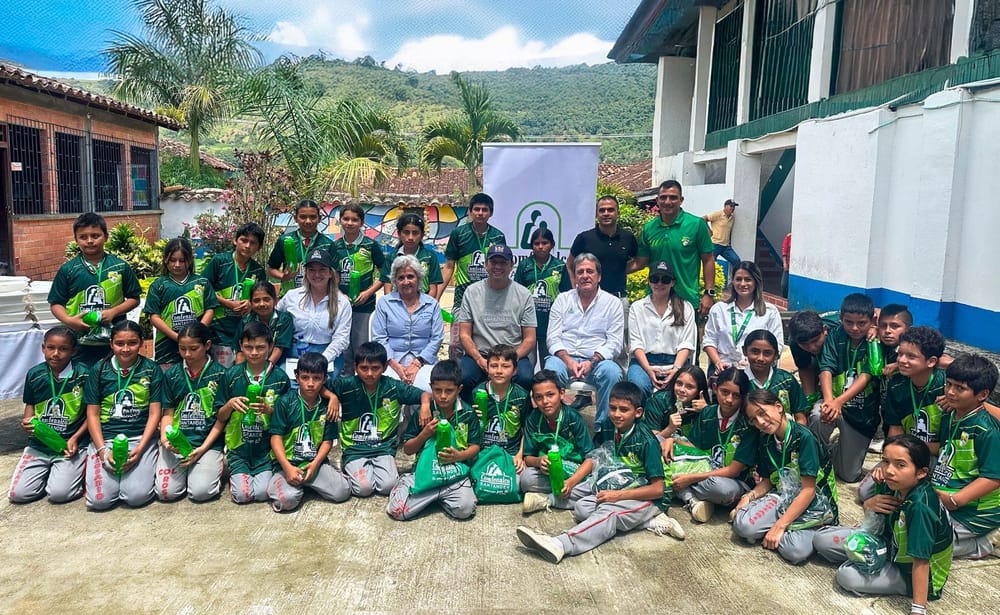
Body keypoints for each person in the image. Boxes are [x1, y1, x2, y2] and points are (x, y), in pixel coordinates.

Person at [516, 382, 684, 563]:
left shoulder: (646, 441)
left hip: (651, 498)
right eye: (613, 408)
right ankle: (647, 521)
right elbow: (596, 457)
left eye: (624, 410)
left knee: (608, 514)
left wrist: (617, 496)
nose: (617, 414)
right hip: (621, 481)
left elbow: (658, 489)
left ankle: (561, 543)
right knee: (582, 509)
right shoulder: (609, 425)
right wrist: (572, 482)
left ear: (638, 412)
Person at [813, 436, 953, 610]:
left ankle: (875, 570)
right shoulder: (894, 485)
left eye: (900, 465)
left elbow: (921, 561)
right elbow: (877, 522)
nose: (889, 470)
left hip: (909, 572)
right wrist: (868, 505)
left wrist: (918, 609)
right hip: (888, 546)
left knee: (846, 576)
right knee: (821, 540)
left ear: (921, 472)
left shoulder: (920, 507)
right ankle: (869, 564)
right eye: (886, 461)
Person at [734, 389, 839, 564]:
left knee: (795, 552)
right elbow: (767, 481)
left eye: (762, 413)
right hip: (784, 497)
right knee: (743, 526)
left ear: (778, 407)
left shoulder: (804, 438)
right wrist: (749, 496)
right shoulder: (766, 440)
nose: (760, 422)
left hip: (816, 504)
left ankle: (785, 529)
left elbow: (808, 490)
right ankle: (783, 529)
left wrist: (779, 525)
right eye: (754, 419)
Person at [327, 342, 431, 497]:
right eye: (364, 368)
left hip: (383, 447)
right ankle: (349, 467)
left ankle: (367, 470)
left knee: (388, 486)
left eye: (375, 368)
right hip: (355, 448)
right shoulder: (346, 385)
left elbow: (423, 394)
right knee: (364, 489)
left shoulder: (393, 387)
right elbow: (319, 386)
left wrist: (425, 404)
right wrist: (332, 396)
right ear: (355, 367)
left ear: (384, 368)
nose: (369, 373)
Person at [859, 327, 946, 501]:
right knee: (866, 492)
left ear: (931, 361)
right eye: (900, 354)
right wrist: (888, 463)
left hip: (937, 457)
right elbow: (895, 431)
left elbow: (945, 446)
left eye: (911, 357)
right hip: (906, 453)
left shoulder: (945, 386)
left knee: (923, 497)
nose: (902, 361)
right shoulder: (897, 385)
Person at [387, 360, 480, 521]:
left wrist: (458, 456)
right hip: (425, 470)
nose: (443, 396)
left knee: (465, 510)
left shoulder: (468, 413)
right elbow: (408, 449)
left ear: (459, 389)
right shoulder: (424, 412)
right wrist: (425, 434)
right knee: (398, 511)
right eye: (437, 390)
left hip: (454, 473)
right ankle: (414, 484)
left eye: (449, 391)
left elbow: (475, 447)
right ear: (431, 387)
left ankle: (433, 495)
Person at [83, 321, 163, 510]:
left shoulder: (151, 369)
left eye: (132, 343)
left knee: (136, 497)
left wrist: (141, 448)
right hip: (106, 440)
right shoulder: (99, 370)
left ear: (142, 343)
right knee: (99, 501)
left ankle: (148, 458)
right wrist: (102, 450)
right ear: (111, 344)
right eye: (119, 343)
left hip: (140, 440)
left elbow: (155, 413)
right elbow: (92, 414)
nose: (125, 349)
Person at [48, 212, 141, 366]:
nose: (89, 241)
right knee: (81, 381)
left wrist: (113, 312)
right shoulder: (68, 270)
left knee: (111, 380)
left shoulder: (120, 266)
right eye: (83, 237)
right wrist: (70, 321)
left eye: (95, 235)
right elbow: (56, 303)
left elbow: (134, 298)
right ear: (76, 240)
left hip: (114, 341)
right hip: (79, 341)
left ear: (106, 236)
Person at [9, 326, 89, 503]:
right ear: (43, 348)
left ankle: (69, 475)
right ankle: (50, 475)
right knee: (19, 495)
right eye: (51, 347)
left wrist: (75, 438)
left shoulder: (83, 374)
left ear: (74, 351)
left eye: (63, 349)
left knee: (59, 495)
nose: (56, 354)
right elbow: (30, 406)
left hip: (70, 446)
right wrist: (27, 422)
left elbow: (92, 413)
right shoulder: (35, 374)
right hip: (40, 445)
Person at [931, 354, 1000, 559]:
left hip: (973, 511)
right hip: (945, 497)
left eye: (960, 388)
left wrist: (956, 499)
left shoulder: (986, 430)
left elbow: (994, 477)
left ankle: (983, 543)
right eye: (948, 384)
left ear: (982, 394)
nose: (950, 392)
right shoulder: (950, 414)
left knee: (923, 544)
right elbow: (945, 448)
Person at [544, 253, 624, 426]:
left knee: (612, 372)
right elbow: (552, 337)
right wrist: (568, 361)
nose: (585, 276)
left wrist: (591, 362)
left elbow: (615, 343)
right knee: (551, 370)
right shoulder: (562, 299)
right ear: (575, 276)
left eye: (590, 271)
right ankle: (557, 424)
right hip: (565, 358)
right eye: (580, 272)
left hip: (597, 361)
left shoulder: (612, 303)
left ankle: (603, 428)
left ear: (599, 276)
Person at [215, 321, 290, 504]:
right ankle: (238, 473)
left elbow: (288, 419)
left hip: (265, 451)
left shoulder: (280, 378)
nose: (254, 352)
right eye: (248, 347)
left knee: (263, 494)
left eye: (260, 347)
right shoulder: (231, 376)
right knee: (243, 496)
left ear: (271, 346)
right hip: (238, 449)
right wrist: (230, 405)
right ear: (241, 346)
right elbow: (219, 416)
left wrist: (270, 410)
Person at [670, 368, 757, 523]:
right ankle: (694, 498)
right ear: (715, 389)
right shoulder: (708, 413)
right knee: (661, 446)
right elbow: (692, 446)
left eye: (736, 395)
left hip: (729, 481)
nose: (729, 399)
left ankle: (686, 494)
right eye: (724, 392)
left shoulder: (748, 424)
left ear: (744, 397)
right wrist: (673, 440)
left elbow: (734, 470)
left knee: (721, 490)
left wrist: (690, 478)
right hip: (703, 471)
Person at [268, 352, 351, 512]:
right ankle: (292, 482)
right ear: (296, 376)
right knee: (287, 501)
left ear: (325, 379)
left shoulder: (328, 406)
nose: (310, 384)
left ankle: (307, 481)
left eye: (317, 378)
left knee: (342, 492)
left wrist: (315, 464)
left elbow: (327, 442)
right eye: (305, 377)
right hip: (288, 463)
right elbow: (275, 438)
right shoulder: (284, 402)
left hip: (314, 462)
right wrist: (287, 467)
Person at [155, 323, 227, 502]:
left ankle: (209, 468)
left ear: (207, 346)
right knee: (166, 493)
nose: (187, 354)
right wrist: (165, 440)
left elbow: (221, 420)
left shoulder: (221, 375)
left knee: (200, 493)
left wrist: (202, 449)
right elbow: (168, 414)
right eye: (182, 349)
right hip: (177, 443)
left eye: (194, 348)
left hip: (207, 444)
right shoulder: (172, 374)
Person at [454, 244, 536, 400]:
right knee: (463, 377)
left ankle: (518, 419)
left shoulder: (524, 294)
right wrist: (479, 359)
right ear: (486, 265)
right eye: (493, 262)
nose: (498, 267)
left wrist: (509, 361)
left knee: (525, 378)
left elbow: (530, 338)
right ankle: (470, 418)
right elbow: (464, 334)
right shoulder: (471, 292)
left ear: (511, 265)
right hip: (480, 354)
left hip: (513, 355)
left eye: (503, 263)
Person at [814, 293, 879, 482]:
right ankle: (815, 461)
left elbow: (867, 375)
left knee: (849, 475)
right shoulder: (834, 336)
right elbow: (826, 368)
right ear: (841, 319)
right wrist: (828, 401)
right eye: (849, 322)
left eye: (861, 323)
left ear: (871, 321)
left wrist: (839, 402)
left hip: (861, 413)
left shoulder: (875, 342)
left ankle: (836, 448)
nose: (855, 328)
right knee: (819, 415)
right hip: (834, 402)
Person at [632, 180, 716, 316]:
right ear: (657, 200)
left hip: (687, 300)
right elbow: (640, 262)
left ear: (681, 200)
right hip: (656, 299)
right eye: (663, 197)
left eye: (673, 197)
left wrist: (709, 293)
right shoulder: (649, 228)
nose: (668, 201)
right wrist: (610, 270)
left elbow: (708, 260)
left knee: (687, 338)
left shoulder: (696, 224)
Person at [519, 370, 597, 516]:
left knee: (593, 484)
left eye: (550, 395)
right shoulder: (533, 419)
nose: (545, 401)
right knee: (526, 480)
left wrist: (571, 482)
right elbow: (528, 458)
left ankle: (549, 499)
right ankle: (568, 496)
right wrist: (539, 461)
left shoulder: (574, 418)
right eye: (539, 397)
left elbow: (591, 458)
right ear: (534, 400)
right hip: (550, 473)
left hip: (574, 472)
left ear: (561, 394)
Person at [371, 254, 444, 393]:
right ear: (394, 281)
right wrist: (395, 366)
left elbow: (437, 338)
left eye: (410, 276)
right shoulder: (384, 303)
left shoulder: (432, 304)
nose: (406, 282)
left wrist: (417, 363)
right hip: (390, 362)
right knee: (385, 390)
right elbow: (379, 337)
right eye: (400, 278)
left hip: (424, 362)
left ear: (419, 278)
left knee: (430, 389)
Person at [200, 222, 267, 367]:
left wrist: (251, 304)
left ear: (259, 247)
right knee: (221, 373)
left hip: (244, 331)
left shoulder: (258, 271)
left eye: (253, 243)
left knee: (239, 373)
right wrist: (227, 303)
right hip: (219, 330)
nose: (247, 246)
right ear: (235, 240)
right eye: (244, 240)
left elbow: (262, 298)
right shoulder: (220, 262)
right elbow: (203, 288)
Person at [277, 248, 352, 377]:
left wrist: (322, 360)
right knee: (285, 384)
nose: (317, 275)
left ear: (330, 273)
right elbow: (275, 319)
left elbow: (341, 339)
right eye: (312, 270)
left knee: (323, 387)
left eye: (322, 270)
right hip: (294, 354)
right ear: (305, 273)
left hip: (326, 355)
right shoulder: (292, 297)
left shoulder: (342, 303)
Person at [627, 260, 696, 400]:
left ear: (673, 282)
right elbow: (636, 344)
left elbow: (686, 344)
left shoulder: (686, 307)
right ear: (649, 281)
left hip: (675, 362)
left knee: (680, 388)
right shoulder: (637, 307)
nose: (659, 284)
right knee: (638, 385)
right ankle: (643, 420)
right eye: (655, 279)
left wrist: (675, 369)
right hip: (644, 361)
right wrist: (648, 369)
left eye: (665, 279)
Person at [144, 237, 218, 368]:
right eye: (173, 260)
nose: (177, 264)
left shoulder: (202, 283)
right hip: (166, 348)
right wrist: (177, 337)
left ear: (189, 260)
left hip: (198, 348)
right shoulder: (158, 286)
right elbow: (154, 316)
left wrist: (197, 333)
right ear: (165, 259)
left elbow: (210, 309)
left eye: (182, 260)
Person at [703, 261, 784, 379]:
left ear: (756, 282)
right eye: (738, 279)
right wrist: (718, 363)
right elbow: (709, 340)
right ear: (733, 281)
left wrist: (754, 362)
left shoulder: (770, 312)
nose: (743, 283)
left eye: (748, 279)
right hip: (723, 369)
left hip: (756, 370)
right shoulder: (719, 309)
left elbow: (778, 346)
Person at [331, 203, 386, 375]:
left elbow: (385, 274)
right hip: (340, 306)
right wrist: (339, 294)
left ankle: (363, 382)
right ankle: (345, 384)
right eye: (346, 219)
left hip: (365, 306)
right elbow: (332, 275)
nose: (349, 223)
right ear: (340, 221)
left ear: (362, 222)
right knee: (343, 347)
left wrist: (368, 292)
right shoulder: (335, 246)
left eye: (354, 220)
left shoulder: (370, 245)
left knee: (361, 348)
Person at [441, 192, 506, 316]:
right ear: (470, 212)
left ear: (491, 213)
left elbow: (502, 269)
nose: (480, 213)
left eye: (484, 210)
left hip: (490, 301)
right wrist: (436, 297)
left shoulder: (498, 236)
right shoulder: (458, 234)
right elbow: (449, 267)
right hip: (462, 299)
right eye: (476, 209)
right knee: (460, 335)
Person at [514, 226, 570, 362]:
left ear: (552, 245)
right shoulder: (524, 265)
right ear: (531, 246)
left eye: (544, 243)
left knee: (549, 368)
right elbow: (515, 293)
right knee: (526, 366)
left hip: (551, 325)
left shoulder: (560, 266)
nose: (540, 247)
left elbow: (566, 295)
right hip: (527, 326)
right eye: (536, 243)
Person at [471, 344, 531, 470]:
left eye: (505, 366)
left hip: (511, 453)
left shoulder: (522, 396)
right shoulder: (477, 393)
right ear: (487, 368)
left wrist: (520, 455)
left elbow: (527, 428)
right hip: (483, 451)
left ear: (515, 370)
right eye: (493, 366)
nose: (499, 371)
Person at [567, 195, 637, 299]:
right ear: (596, 214)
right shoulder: (584, 238)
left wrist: (619, 269)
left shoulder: (628, 237)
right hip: (590, 299)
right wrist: (575, 291)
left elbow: (638, 261)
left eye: (610, 210)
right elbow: (570, 264)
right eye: (602, 210)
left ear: (618, 213)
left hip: (618, 298)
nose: (606, 214)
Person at [267, 199, 334, 296]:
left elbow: (334, 274)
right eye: (303, 217)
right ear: (295, 218)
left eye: (312, 217)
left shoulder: (328, 244)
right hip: (290, 297)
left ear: (319, 219)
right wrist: (284, 276)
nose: (308, 221)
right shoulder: (285, 241)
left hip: (318, 298)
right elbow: (270, 269)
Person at [743, 330, 809, 424]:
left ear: (776, 356)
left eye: (767, 353)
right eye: (755, 352)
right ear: (744, 351)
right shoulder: (738, 380)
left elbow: (800, 418)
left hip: (781, 436)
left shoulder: (787, 380)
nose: (760, 358)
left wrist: (794, 437)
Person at [644, 365, 710, 451]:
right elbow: (649, 443)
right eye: (679, 383)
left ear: (699, 391)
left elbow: (709, 444)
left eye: (689, 387)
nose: (682, 390)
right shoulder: (658, 401)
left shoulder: (705, 407)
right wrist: (670, 429)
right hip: (661, 450)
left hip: (690, 452)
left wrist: (707, 412)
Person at [381, 212, 444, 299]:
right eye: (406, 232)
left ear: (422, 235)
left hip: (423, 304)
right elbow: (388, 287)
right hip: (398, 304)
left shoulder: (429, 257)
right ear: (399, 234)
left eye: (415, 233)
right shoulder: (392, 257)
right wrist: (393, 306)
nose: (410, 237)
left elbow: (433, 288)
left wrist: (426, 306)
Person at [233, 281, 294, 368]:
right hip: (249, 365)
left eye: (266, 299)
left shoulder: (284, 319)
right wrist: (238, 373)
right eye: (256, 300)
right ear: (250, 302)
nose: (262, 304)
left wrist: (264, 370)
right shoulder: (245, 321)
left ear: (275, 300)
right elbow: (240, 352)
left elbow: (278, 348)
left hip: (277, 364)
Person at [788, 310, 841, 404]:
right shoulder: (795, 342)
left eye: (815, 341)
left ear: (824, 330)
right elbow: (805, 368)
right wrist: (810, 400)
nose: (812, 347)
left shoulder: (839, 328)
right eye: (805, 345)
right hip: (817, 362)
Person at [703, 199, 741, 272]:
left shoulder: (732, 218)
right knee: (711, 265)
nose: (732, 208)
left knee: (737, 261)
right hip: (715, 244)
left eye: (734, 207)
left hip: (726, 246)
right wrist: (709, 230)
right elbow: (703, 219)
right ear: (725, 206)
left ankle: (735, 280)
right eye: (731, 206)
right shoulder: (718, 214)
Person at [780, 232, 791, 298]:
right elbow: (785, 251)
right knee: (784, 285)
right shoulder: (789, 237)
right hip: (788, 266)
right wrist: (785, 263)